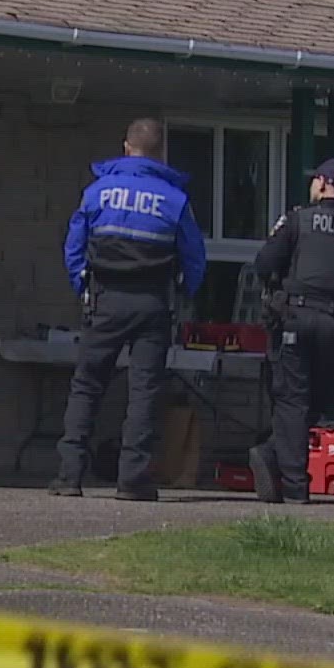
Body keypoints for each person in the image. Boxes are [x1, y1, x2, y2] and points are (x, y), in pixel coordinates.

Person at [51, 118, 206, 502]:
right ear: (160, 153)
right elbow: (195, 259)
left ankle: (70, 477)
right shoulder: (175, 200)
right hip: (153, 303)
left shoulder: (96, 193)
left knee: (87, 385)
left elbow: (73, 247)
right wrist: (184, 293)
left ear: (126, 147)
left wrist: (83, 288)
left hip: (105, 300)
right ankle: (132, 480)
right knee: (144, 392)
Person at [246, 158, 334, 504]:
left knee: (291, 401)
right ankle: (273, 455)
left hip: (294, 319)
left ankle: (293, 485)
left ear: (321, 183)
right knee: (318, 402)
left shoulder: (298, 220)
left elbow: (264, 263)